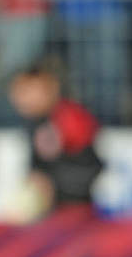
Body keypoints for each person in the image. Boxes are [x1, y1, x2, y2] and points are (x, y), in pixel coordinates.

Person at [7, 66, 105, 221]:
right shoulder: (35, 122)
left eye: (27, 91)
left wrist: (52, 185)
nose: (20, 98)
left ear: (51, 90)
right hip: (52, 215)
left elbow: (91, 170)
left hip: (75, 216)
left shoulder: (71, 120)